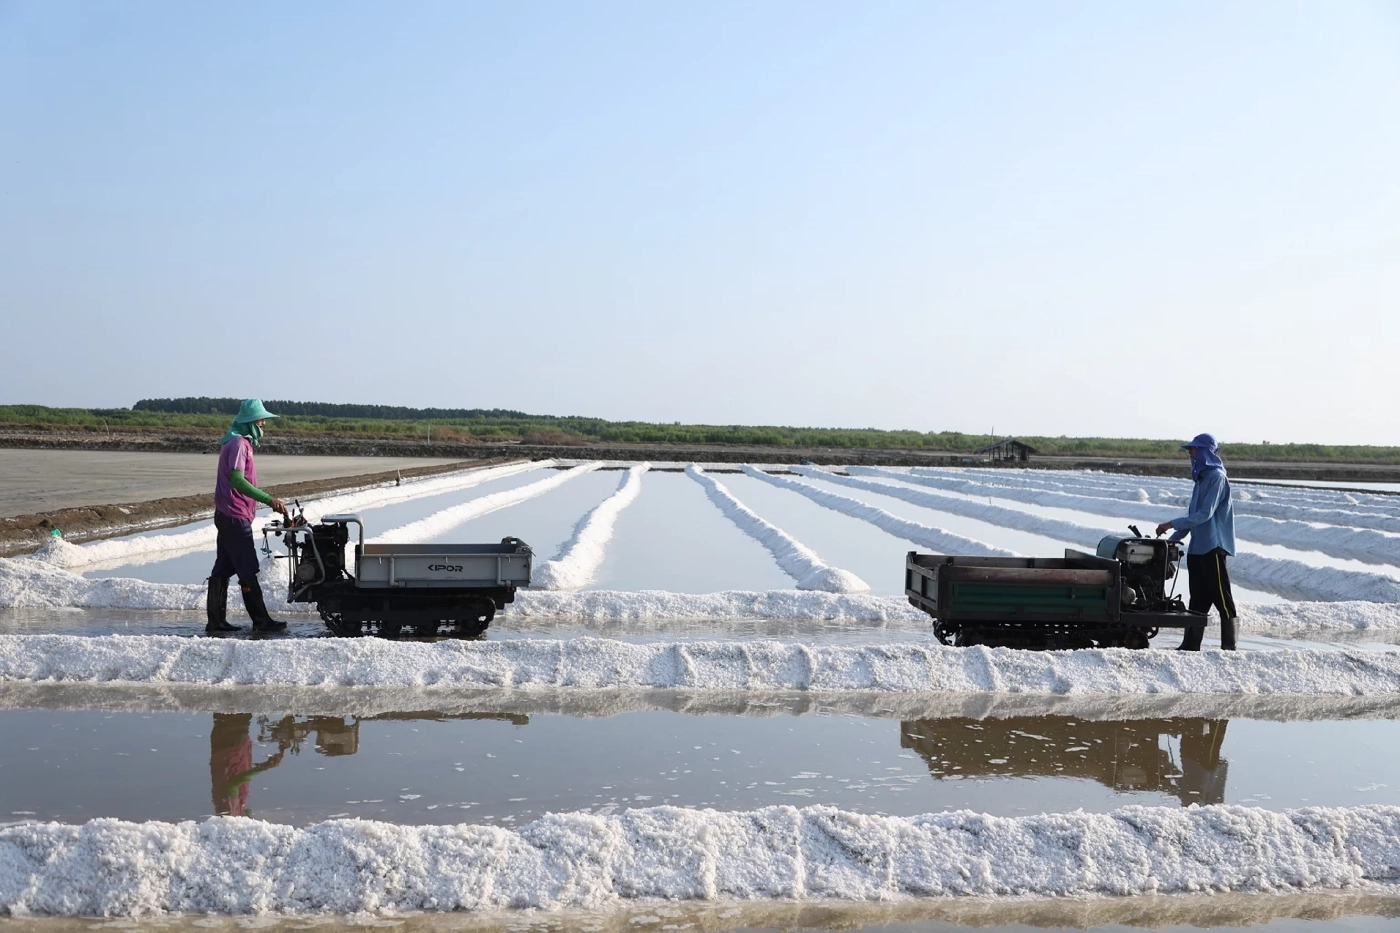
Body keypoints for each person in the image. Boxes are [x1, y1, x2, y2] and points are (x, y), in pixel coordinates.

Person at [206, 399, 288, 634]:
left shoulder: (236, 442)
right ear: (250, 422)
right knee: (247, 568)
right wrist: (268, 499)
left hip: (227, 513)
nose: (263, 424)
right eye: (261, 420)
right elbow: (237, 480)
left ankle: (216, 622)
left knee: (223, 567)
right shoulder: (239, 444)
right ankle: (261, 621)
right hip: (234, 515)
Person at [1155, 433, 1237, 651]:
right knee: (1197, 600)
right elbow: (1192, 516)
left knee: (1223, 600)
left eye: (1194, 449)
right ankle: (1190, 645)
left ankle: (1229, 648)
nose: (1190, 453)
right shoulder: (1201, 479)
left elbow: (1204, 514)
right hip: (1198, 548)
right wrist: (1173, 540)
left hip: (1213, 547)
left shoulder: (1217, 478)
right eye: (1190, 450)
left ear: (1206, 452)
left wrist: (1170, 524)